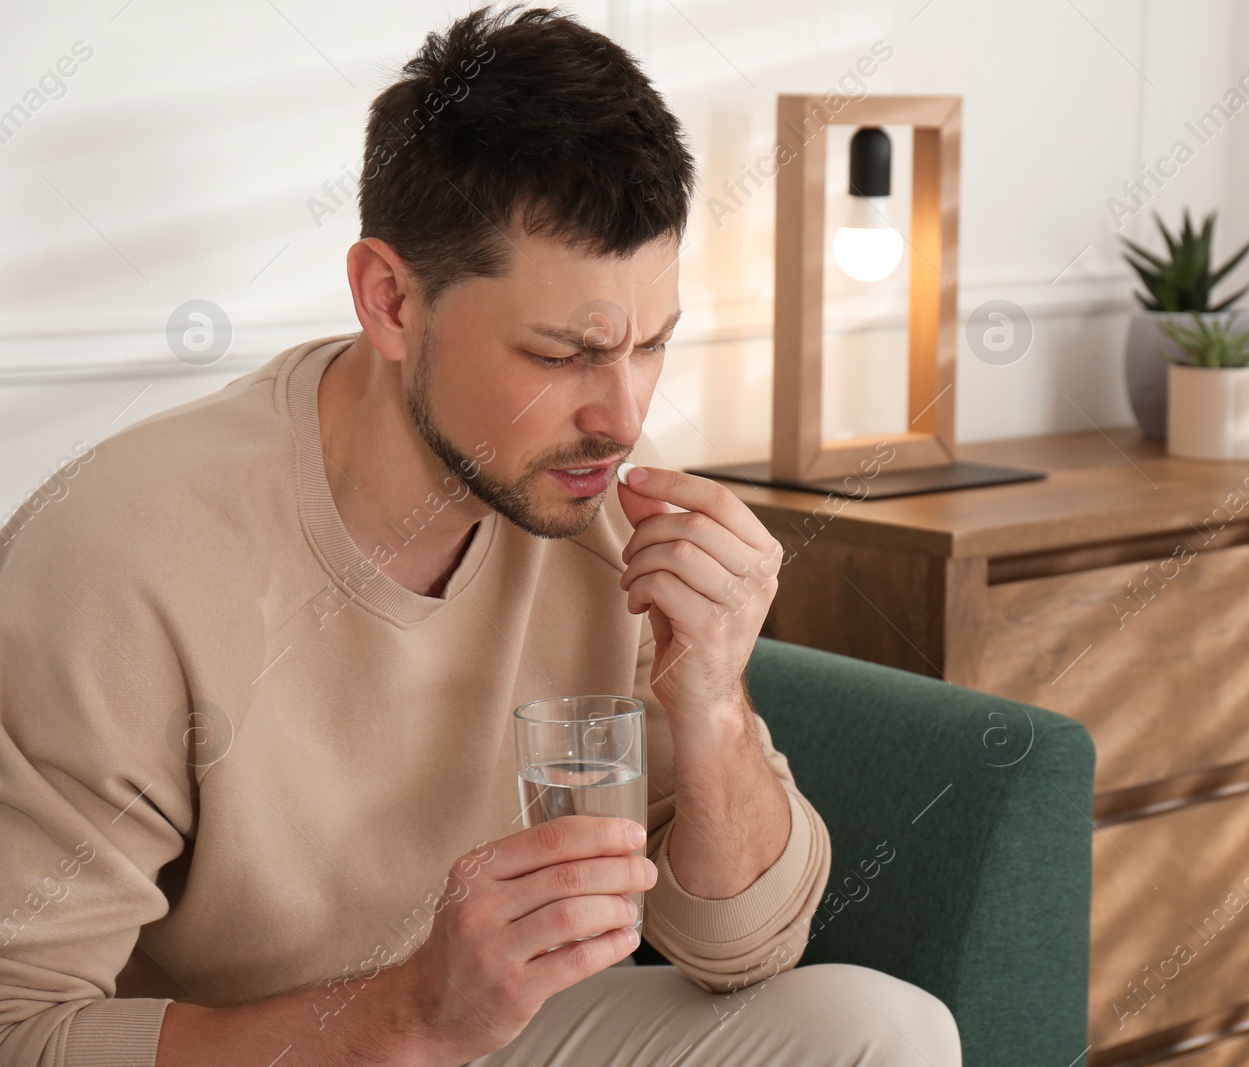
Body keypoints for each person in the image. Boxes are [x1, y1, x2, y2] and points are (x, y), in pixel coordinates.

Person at [0, 4, 961, 1064]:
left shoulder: (602, 521)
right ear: (390, 301)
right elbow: (20, 1025)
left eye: (650, 344)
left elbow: (739, 950)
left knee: (881, 1030)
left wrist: (715, 703)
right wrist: (407, 1016)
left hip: (499, 1029)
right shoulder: (119, 558)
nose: (623, 415)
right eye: (562, 353)